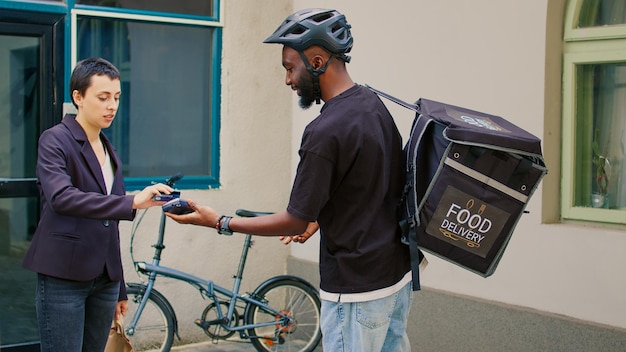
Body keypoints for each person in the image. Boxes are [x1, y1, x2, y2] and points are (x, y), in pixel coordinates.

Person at [168, 8, 413, 351]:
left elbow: (293, 219)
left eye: (289, 67)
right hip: (393, 280)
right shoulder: (372, 104)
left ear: (316, 61)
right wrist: (319, 216)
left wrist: (220, 222)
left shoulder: (324, 132)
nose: (287, 80)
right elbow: (367, 186)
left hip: (355, 292)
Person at [22, 57, 174, 352]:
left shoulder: (108, 148)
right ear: (78, 97)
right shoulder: (54, 140)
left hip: (104, 280)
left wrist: (118, 285)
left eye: (116, 97)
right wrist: (130, 201)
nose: (112, 106)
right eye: (103, 97)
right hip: (63, 276)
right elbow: (61, 198)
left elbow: (109, 226)